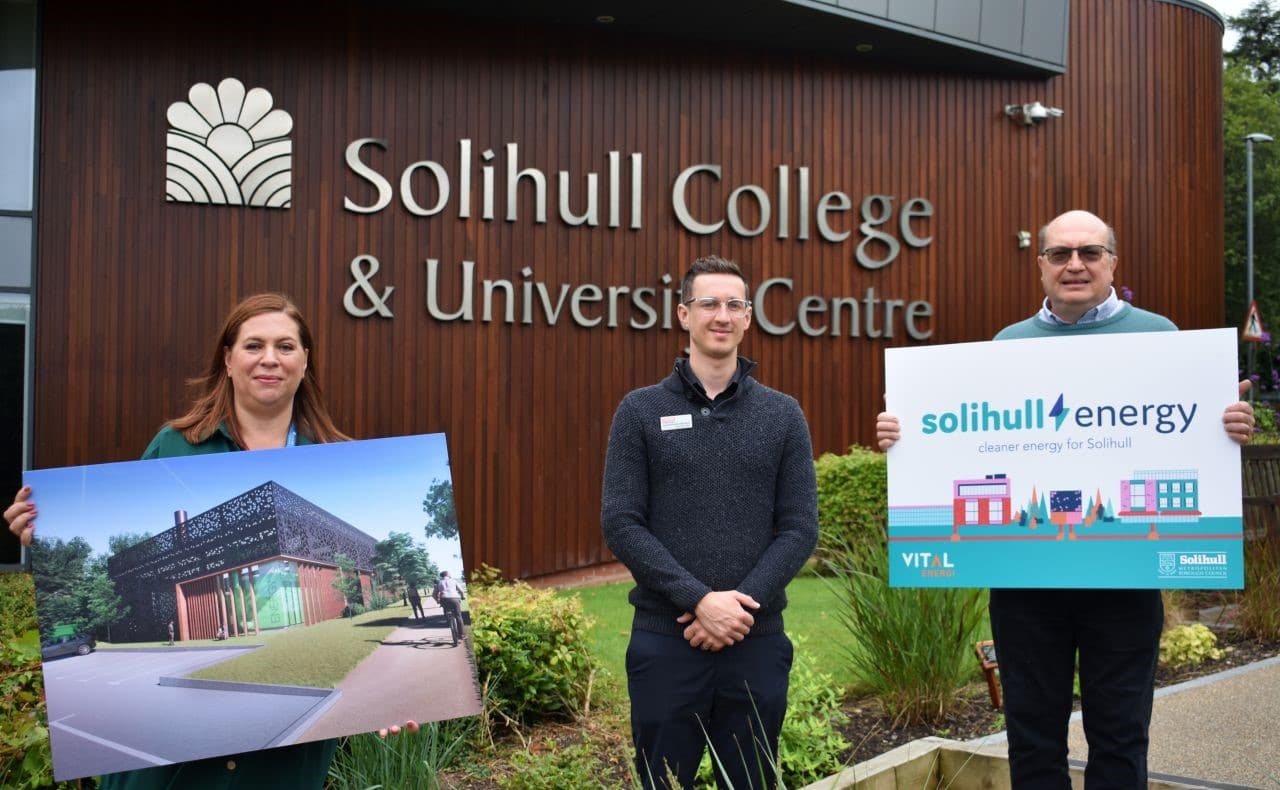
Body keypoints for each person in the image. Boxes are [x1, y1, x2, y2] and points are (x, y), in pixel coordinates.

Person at [875, 210, 1255, 788]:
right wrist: (907, 438)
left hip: (1124, 585)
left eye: (1090, 252)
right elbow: (970, 442)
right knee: (1032, 739)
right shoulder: (1007, 346)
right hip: (1026, 586)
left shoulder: (1163, 338)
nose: (1075, 264)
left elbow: (1192, 431)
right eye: (1060, 254)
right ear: (1041, 265)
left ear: (1112, 262)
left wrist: (1228, 425)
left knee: (1121, 738)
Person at [6, 292, 418, 788]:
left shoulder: (339, 455)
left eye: (286, 346)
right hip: (171, 772)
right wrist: (43, 531)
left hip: (282, 769)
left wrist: (392, 704)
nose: (270, 358)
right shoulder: (176, 443)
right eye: (254, 345)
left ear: (306, 362)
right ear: (227, 359)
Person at [601, 255, 819, 789]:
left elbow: (799, 527)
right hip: (665, 640)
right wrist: (700, 600)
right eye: (709, 304)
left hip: (757, 639)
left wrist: (740, 607)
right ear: (683, 315)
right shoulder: (640, 411)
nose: (721, 315)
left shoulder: (783, 414)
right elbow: (621, 521)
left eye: (734, 305)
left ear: (748, 318)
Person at [432, 570, 464, 646]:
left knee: (445, 608)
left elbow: (433, 594)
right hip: (454, 599)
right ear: (447, 575)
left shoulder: (439, 583)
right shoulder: (453, 581)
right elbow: (461, 591)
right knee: (458, 616)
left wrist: (437, 600)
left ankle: (448, 620)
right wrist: (462, 596)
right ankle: (461, 635)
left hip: (444, 599)